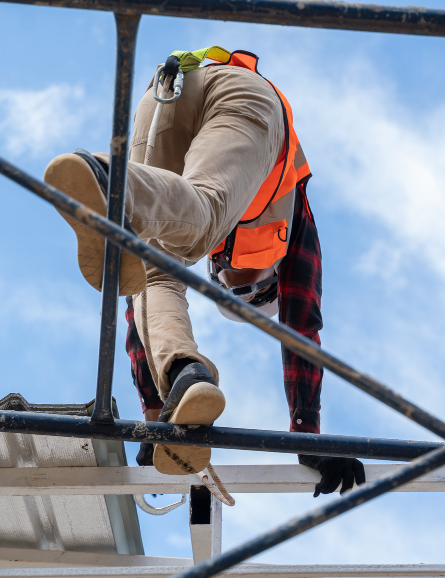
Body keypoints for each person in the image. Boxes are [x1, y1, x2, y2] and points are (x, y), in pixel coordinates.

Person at [44, 47, 365, 496]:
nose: (237, 285)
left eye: (227, 292)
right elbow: (302, 332)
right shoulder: (295, 226)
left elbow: (139, 313)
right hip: (240, 96)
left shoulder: (186, 221)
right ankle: (105, 179)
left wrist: (156, 419)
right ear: (274, 276)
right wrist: (307, 438)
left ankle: (185, 374)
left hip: (165, 93)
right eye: (253, 294)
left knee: (154, 272)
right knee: (203, 216)